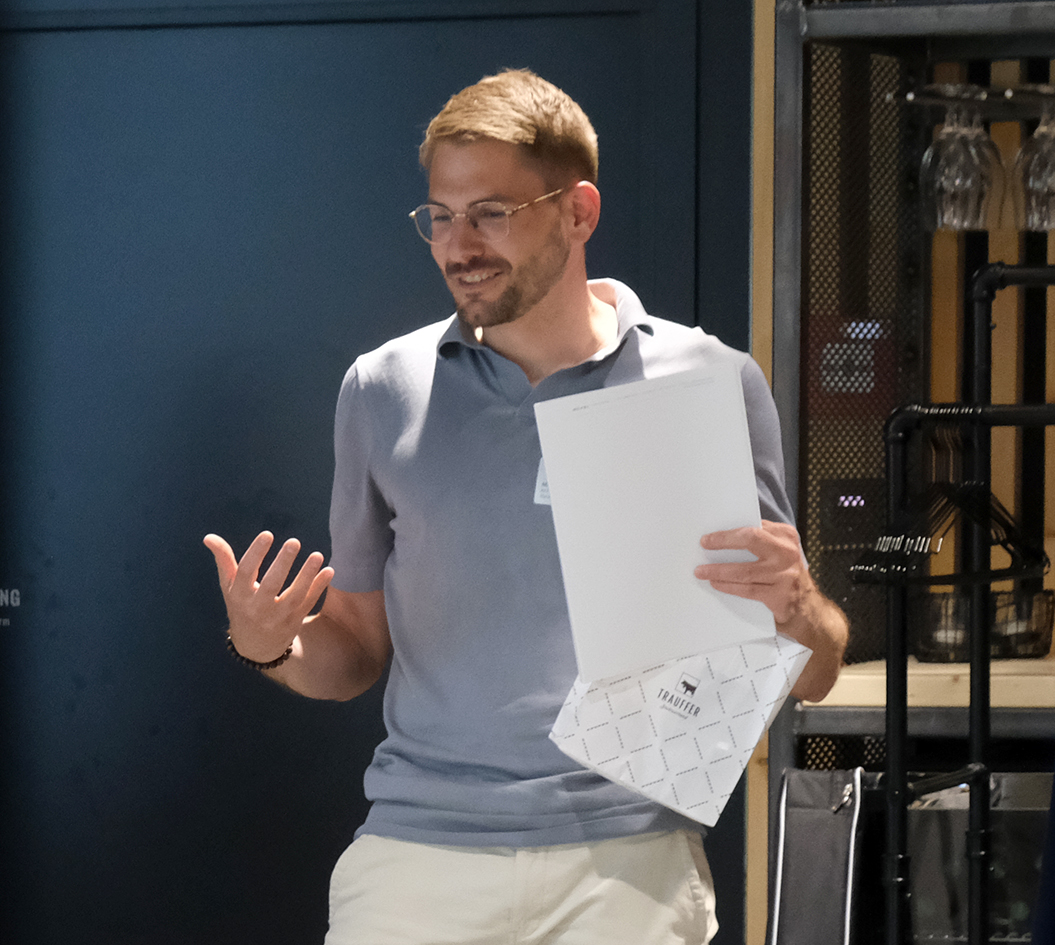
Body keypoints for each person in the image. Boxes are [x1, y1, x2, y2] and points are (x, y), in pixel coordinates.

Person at [203, 68, 848, 945]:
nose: (457, 244)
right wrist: (267, 644)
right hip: (418, 855)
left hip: (629, 862)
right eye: (439, 215)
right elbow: (352, 649)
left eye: (491, 213)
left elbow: (808, 671)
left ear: (577, 212)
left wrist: (802, 610)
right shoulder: (381, 388)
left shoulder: (708, 380)